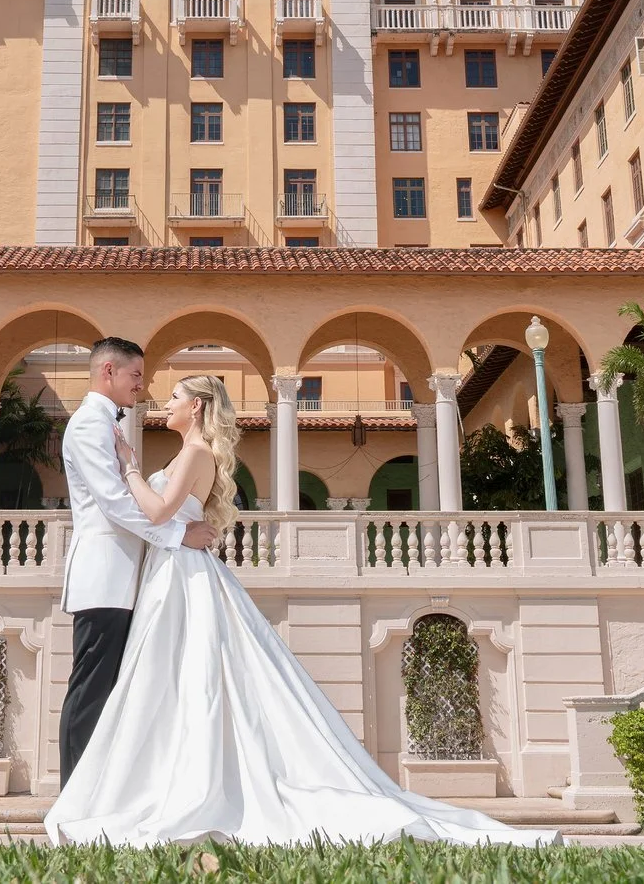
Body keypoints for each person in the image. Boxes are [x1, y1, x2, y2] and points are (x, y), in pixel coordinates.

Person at [45, 372, 552, 846]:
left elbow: (155, 511)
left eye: (175, 397)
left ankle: (179, 787)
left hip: (180, 573)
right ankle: (151, 781)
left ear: (196, 407)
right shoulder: (187, 452)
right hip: (166, 571)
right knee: (166, 680)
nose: (164, 402)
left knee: (184, 677)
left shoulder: (196, 453)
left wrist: (129, 467)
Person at [56, 336, 217, 783]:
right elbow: (113, 503)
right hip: (105, 576)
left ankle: (102, 790)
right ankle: (74, 794)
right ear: (108, 371)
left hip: (131, 577)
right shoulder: (90, 423)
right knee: (91, 689)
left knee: (113, 690)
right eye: (135, 376)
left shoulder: (109, 424)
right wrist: (178, 534)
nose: (141, 388)